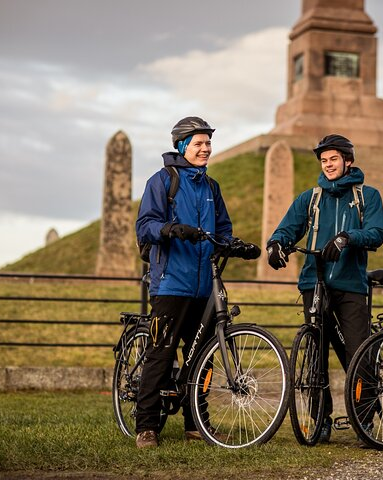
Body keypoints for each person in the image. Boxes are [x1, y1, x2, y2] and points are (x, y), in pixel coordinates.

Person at [266, 134, 383, 444]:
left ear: (348, 160)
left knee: (358, 351)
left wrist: (347, 238)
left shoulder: (367, 196)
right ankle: (320, 420)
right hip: (313, 283)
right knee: (315, 354)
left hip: (350, 286)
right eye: (324, 160)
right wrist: (276, 244)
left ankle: (364, 420)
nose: (328, 164)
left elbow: (376, 232)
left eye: (334, 159)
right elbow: (287, 228)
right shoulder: (311, 198)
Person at [134, 116, 234, 449]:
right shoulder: (163, 182)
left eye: (208, 143)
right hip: (170, 283)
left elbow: (222, 228)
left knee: (200, 358)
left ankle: (196, 425)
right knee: (160, 354)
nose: (205, 149)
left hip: (204, 285)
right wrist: (169, 229)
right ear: (181, 146)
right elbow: (145, 224)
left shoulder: (212, 186)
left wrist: (234, 244)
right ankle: (146, 426)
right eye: (198, 143)